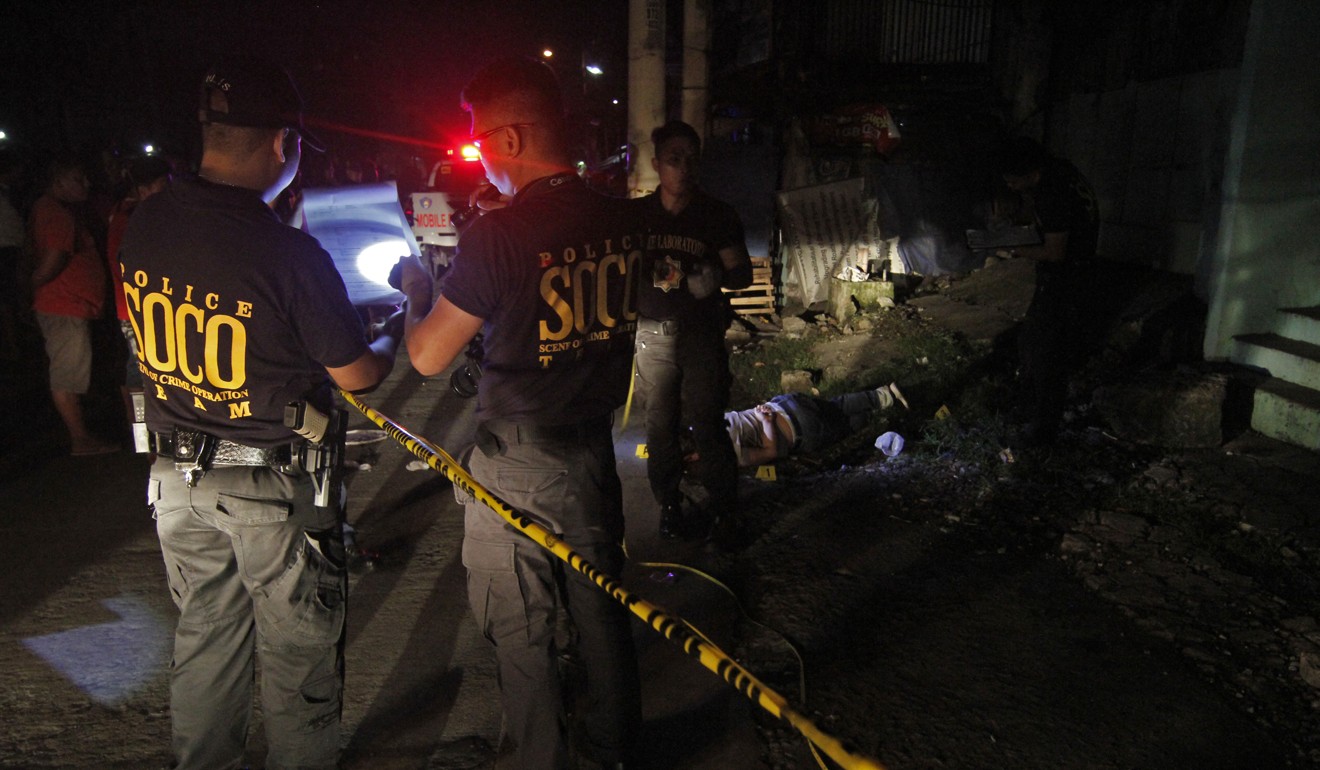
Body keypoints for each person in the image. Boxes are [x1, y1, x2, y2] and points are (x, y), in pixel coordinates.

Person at [118, 55, 401, 770]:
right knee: (298, 663)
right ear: (283, 144)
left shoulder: (145, 224)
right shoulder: (289, 253)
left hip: (178, 485)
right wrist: (402, 319)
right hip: (272, 493)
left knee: (207, 644)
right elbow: (359, 376)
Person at [399, 56, 642, 770]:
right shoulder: (623, 218)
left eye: (478, 140)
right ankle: (616, 751)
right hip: (594, 451)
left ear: (508, 141)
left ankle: (538, 758)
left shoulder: (499, 236)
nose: (477, 157)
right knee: (601, 612)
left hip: (518, 460)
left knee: (522, 624)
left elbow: (427, 357)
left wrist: (419, 286)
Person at [632, 120, 753, 540]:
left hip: (701, 334)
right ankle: (669, 503)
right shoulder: (639, 217)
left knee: (707, 420)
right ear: (656, 164)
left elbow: (742, 273)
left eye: (690, 159)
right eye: (673, 159)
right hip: (654, 335)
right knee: (659, 424)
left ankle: (724, 508)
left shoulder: (716, 215)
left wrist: (718, 275)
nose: (683, 168)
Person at [997, 136, 1100, 445]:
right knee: (1032, 340)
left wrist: (1015, 250)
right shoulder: (1063, 172)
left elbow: (1055, 252)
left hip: (1065, 277)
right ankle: (1029, 407)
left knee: (1046, 352)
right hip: (1080, 270)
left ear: (1031, 172)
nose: (1012, 187)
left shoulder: (1052, 193)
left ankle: (1044, 427)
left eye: (1014, 181)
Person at [27, 154, 117, 456]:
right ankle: (80, 439)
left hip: (71, 303)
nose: (86, 184)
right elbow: (54, 257)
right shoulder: (55, 212)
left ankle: (83, 434)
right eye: (78, 179)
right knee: (67, 373)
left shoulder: (58, 209)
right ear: (59, 182)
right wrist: (32, 286)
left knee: (72, 370)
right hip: (64, 304)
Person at [105, 154, 172, 433]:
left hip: (142, 306)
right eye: (163, 185)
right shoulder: (132, 218)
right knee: (140, 369)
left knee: (143, 368)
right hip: (137, 308)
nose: (168, 191)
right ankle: (143, 434)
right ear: (144, 189)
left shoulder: (128, 213)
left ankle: (148, 433)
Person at [723, 382, 908, 467]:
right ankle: (884, 395)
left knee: (843, 427)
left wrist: (766, 422)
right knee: (837, 406)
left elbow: (770, 452)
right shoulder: (710, 423)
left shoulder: (727, 453)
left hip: (802, 429)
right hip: (787, 402)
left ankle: (875, 415)